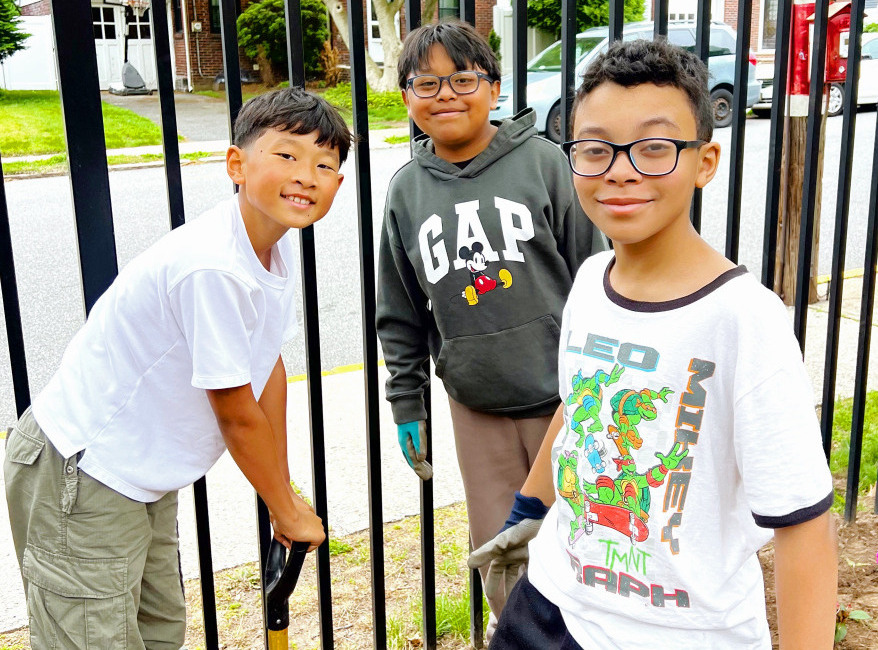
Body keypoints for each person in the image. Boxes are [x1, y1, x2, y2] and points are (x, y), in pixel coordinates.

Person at [470, 39, 838, 649]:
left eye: (654, 147)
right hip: (548, 608)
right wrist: (527, 511)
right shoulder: (592, 280)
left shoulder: (744, 319)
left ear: (705, 161)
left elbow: (805, 526)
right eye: (595, 149)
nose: (620, 170)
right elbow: (580, 408)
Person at [4, 87, 350, 649]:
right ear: (236, 164)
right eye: (287, 155)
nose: (306, 175)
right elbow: (235, 412)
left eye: (325, 165)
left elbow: (266, 368)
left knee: (160, 631)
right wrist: (285, 510)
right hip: (85, 470)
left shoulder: (271, 246)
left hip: (142, 474)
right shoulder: (213, 265)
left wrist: (280, 495)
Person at [376, 18, 606, 624]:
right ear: (406, 97)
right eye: (426, 83)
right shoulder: (406, 192)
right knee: (502, 557)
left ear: (494, 87)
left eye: (462, 79)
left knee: (587, 540)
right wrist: (407, 403)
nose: (445, 95)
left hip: (565, 399)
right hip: (476, 404)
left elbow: (597, 277)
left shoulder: (546, 164)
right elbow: (400, 312)